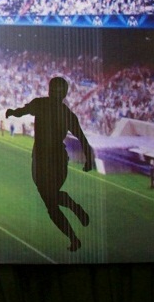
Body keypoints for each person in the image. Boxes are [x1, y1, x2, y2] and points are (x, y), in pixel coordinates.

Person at [6, 76, 95, 252]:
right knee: (51, 198)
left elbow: (22, 111)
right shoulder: (67, 114)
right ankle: (74, 213)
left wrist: (12, 112)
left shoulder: (40, 104)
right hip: (59, 161)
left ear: (49, 90)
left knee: (50, 203)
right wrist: (89, 160)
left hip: (42, 161)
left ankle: (74, 234)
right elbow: (82, 138)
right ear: (65, 94)